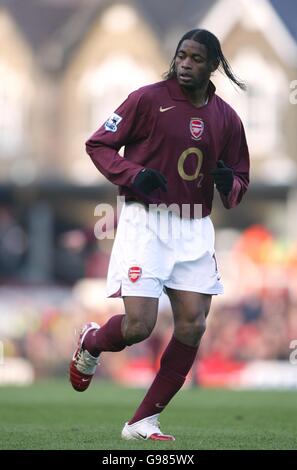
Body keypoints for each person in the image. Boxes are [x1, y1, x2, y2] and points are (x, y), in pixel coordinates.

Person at [69, 29, 250, 441]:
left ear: (213, 65)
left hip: (194, 226)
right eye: (181, 55)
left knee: (193, 326)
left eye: (196, 58)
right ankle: (92, 341)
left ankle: (142, 422)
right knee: (139, 327)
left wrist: (228, 182)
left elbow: (240, 179)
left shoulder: (227, 118)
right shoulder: (148, 99)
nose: (186, 63)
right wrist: (134, 175)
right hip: (146, 221)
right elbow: (98, 144)